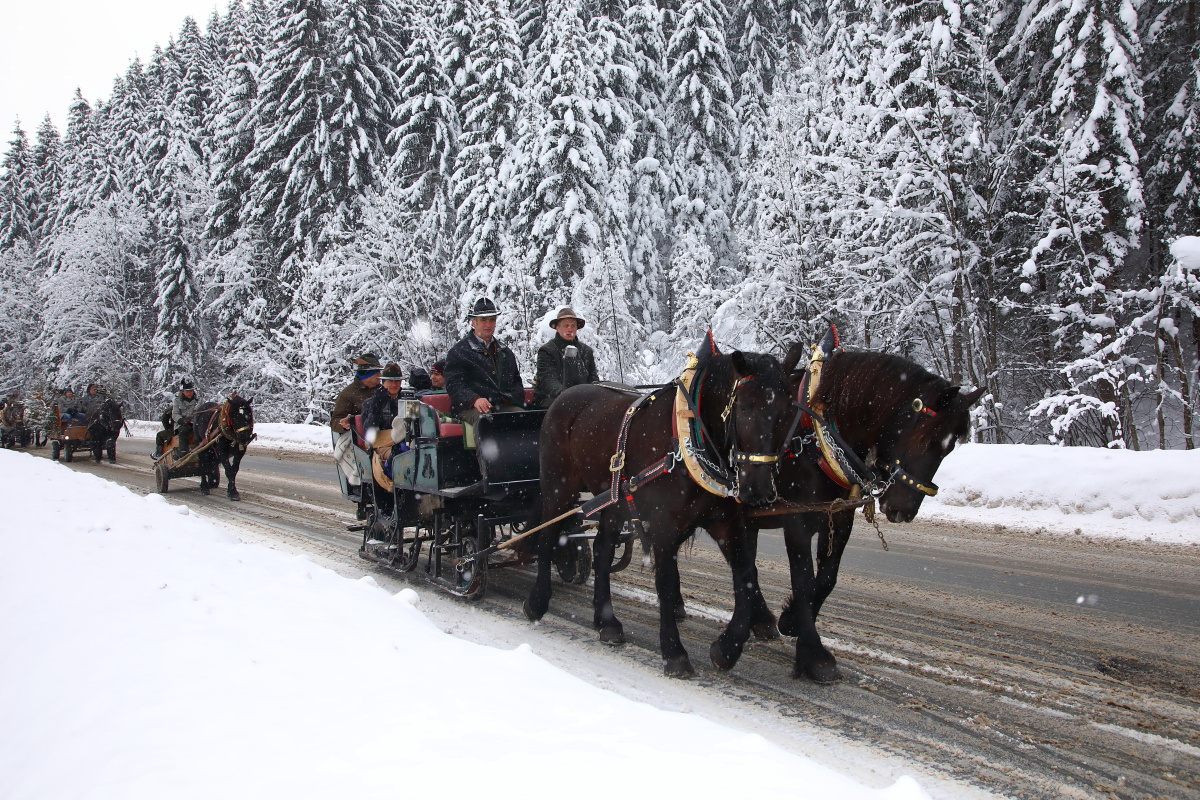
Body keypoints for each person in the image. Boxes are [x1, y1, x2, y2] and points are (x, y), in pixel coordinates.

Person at [444, 298, 525, 426]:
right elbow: (454, 384)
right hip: (469, 408)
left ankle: (523, 447)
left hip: (501, 406)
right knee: (485, 421)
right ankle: (487, 447)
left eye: (492, 320)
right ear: (473, 323)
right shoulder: (459, 352)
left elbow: (516, 382)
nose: (488, 324)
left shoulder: (505, 352)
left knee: (524, 418)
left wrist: (510, 398)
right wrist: (474, 399)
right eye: (483, 320)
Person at [330, 353, 382, 502]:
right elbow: (335, 421)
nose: (380, 375)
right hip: (361, 438)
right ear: (369, 373)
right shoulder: (348, 394)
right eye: (377, 372)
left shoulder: (382, 390)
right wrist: (345, 423)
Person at [359, 363, 411, 513]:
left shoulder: (408, 401)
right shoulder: (371, 403)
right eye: (390, 381)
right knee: (395, 454)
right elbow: (369, 433)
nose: (394, 385)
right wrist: (377, 406)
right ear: (383, 383)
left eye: (397, 381)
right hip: (380, 443)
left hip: (406, 439)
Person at [533, 307, 600, 408]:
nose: (570, 329)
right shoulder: (547, 351)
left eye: (573, 326)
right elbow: (548, 380)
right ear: (557, 328)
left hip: (583, 400)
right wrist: (565, 394)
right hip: (551, 401)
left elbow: (593, 378)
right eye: (566, 326)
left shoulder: (586, 351)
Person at [156, 379, 198, 459]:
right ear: (183, 392)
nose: (190, 393)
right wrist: (182, 420)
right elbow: (175, 414)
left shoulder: (198, 400)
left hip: (195, 423)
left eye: (191, 391)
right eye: (187, 391)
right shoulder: (177, 401)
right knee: (183, 430)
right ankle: (183, 451)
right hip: (181, 424)